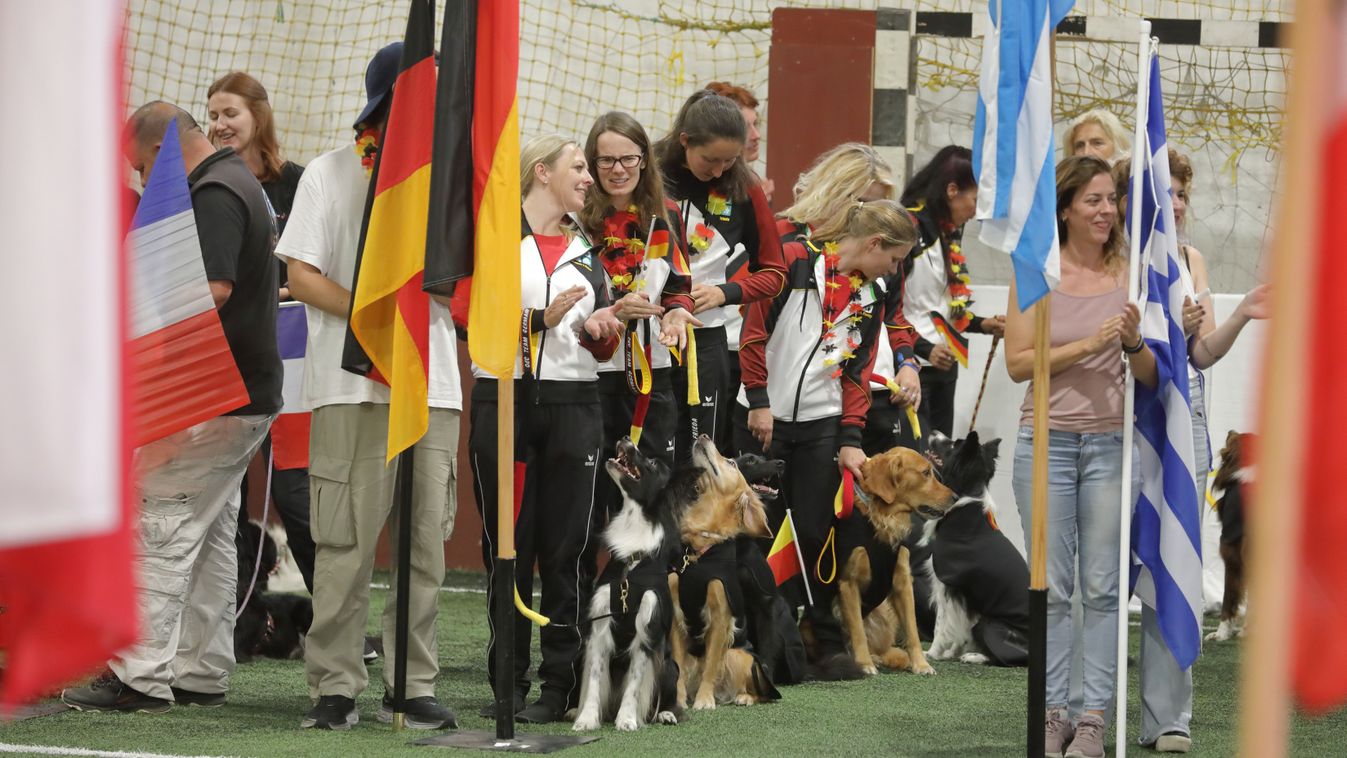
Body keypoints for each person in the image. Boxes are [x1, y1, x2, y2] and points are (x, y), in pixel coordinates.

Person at [62, 103, 281, 713]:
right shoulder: (236, 181)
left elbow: (211, 289)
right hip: (243, 397)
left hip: (209, 398)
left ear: (160, 151)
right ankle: (201, 669)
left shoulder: (211, 193)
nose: (139, 180)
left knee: (156, 524)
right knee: (210, 534)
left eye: (139, 167)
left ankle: (138, 676)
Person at [279, 42, 462, 731]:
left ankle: (412, 684)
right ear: (391, 96)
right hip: (351, 382)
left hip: (432, 385)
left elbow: (468, 286)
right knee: (344, 543)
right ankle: (335, 684)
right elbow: (299, 276)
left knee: (423, 546)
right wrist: (379, 323)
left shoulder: (456, 182)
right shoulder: (330, 173)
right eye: (430, 90)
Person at [1113, 150, 1269, 754]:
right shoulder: (1113, 258)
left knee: (1172, 565)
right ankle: (1088, 711)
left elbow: (1200, 355)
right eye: (1163, 192)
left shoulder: (1190, 259)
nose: (1173, 203)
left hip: (1184, 426)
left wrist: (1241, 316)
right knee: (1105, 581)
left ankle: (1169, 719)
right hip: (1117, 425)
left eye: (1180, 193)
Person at [1004, 155, 1158, 758]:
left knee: (1100, 586)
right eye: (1092, 200)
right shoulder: (1034, 270)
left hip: (1111, 444)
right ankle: (1052, 712)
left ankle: (1092, 718)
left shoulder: (1131, 272)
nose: (1106, 211)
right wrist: (1088, 343)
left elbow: (1148, 371)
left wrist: (1133, 342)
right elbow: (1020, 363)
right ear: (1065, 207)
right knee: (1052, 584)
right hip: (1044, 442)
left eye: (1110, 200)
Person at [469, 135, 622, 725]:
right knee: (507, 545)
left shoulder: (588, 248)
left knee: (568, 550)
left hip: (575, 404)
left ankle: (559, 686)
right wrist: (538, 319)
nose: (590, 177)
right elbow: (468, 314)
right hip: (503, 397)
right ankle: (506, 681)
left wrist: (607, 325)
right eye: (579, 167)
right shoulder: (496, 239)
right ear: (542, 172)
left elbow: (594, 344)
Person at [739, 198, 918, 657]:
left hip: (821, 422)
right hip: (765, 420)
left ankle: (818, 633)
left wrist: (851, 439)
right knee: (760, 529)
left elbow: (857, 373)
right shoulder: (796, 261)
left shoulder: (872, 294)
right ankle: (762, 635)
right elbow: (754, 332)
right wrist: (758, 400)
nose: (893, 271)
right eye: (894, 259)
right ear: (875, 243)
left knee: (818, 531)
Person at [206, 71, 316, 597]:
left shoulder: (297, 181)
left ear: (258, 116)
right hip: (227, 355)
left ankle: (335, 626)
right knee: (223, 494)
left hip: (294, 358)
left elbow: (317, 263)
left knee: (298, 494)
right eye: (213, 115)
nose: (220, 124)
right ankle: (231, 616)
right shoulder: (206, 185)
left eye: (231, 113)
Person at [578, 111, 699, 520]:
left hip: (652, 376)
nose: (618, 170)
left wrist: (677, 316)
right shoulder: (576, 218)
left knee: (650, 499)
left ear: (644, 159)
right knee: (593, 500)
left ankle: (642, 584)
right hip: (592, 376)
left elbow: (679, 286)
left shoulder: (665, 215)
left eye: (628, 158)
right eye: (606, 161)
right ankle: (589, 584)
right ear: (591, 163)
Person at [654, 90, 786, 461]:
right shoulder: (649, 173)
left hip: (705, 340)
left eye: (730, 161)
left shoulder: (744, 185)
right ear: (685, 141)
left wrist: (724, 293)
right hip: (645, 337)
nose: (718, 172)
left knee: (700, 459)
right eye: (710, 160)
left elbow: (774, 273)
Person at [899, 146, 1005, 439]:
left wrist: (984, 324)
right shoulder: (909, 229)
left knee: (939, 463)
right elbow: (887, 309)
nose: (977, 210)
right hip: (912, 367)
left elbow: (943, 307)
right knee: (914, 463)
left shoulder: (948, 233)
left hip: (945, 366)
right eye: (975, 199)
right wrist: (924, 349)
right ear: (952, 190)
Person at [1063, 109, 1131, 164]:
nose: (1086, 152)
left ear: (1118, 146)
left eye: (1097, 143)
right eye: (1079, 146)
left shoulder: (1136, 179)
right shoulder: (1059, 180)